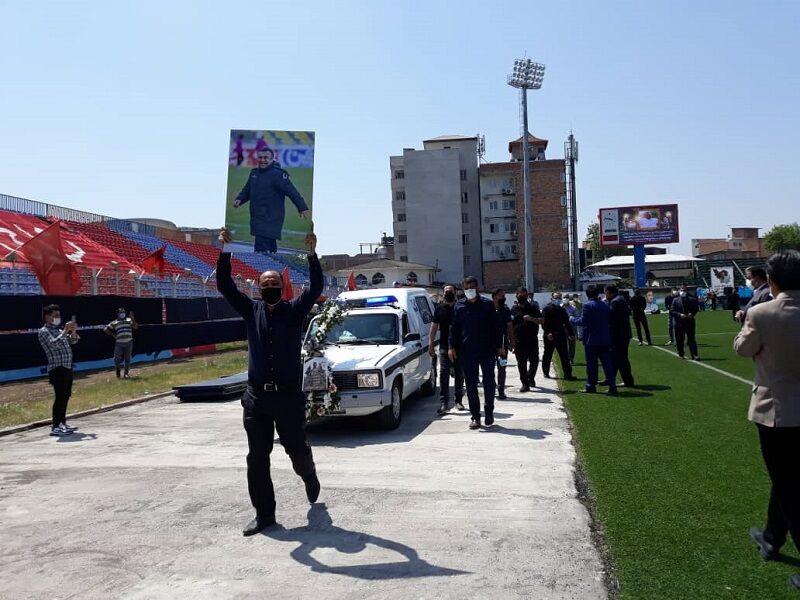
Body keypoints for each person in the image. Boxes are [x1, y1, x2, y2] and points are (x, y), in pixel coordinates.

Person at [217, 226, 323, 536]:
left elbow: (315, 287)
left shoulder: (294, 311)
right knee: (257, 458)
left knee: (296, 450)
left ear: (283, 286)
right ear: (258, 288)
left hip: (288, 399)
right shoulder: (251, 311)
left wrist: (312, 253)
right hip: (257, 401)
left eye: (274, 283)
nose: (270, 286)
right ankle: (265, 515)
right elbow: (224, 285)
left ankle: (309, 473)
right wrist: (225, 250)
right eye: (265, 283)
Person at [733, 250, 800, 591]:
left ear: (771, 281)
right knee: (785, 477)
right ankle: (772, 537)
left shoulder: (762, 313)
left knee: (788, 483)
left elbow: (743, 349)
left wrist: (743, 324)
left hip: (777, 411)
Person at [233, 147, 311, 254]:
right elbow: (247, 190)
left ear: (272, 159)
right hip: (257, 216)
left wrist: (302, 207)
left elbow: (292, 192)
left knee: (262, 249)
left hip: (271, 217)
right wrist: (240, 199)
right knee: (268, 248)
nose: (263, 160)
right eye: (260, 157)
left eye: (266, 158)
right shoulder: (254, 173)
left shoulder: (278, 175)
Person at [450, 277, 500, 430]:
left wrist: (499, 347)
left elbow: (495, 328)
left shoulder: (487, 305)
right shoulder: (459, 306)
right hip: (467, 351)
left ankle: (489, 410)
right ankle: (475, 417)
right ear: (463, 288)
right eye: (467, 286)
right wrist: (452, 347)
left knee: (489, 382)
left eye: (473, 286)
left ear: (477, 287)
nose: (470, 289)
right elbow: (455, 329)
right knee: (471, 385)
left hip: (487, 350)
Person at [38, 305, 80, 436]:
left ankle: (62, 423)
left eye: (58, 315)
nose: (57, 318)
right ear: (47, 316)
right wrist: (65, 330)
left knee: (66, 396)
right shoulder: (44, 331)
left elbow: (73, 341)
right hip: (57, 368)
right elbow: (54, 343)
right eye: (55, 315)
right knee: (60, 397)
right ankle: (56, 426)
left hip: (67, 367)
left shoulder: (58, 330)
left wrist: (72, 331)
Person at [570, 285, 616, 395]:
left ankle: (591, 385)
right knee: (607, 363)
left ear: (587, 294)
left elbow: (583, 321)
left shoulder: (587, 306)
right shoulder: (605, 305)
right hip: (604, 338)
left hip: (591, 339)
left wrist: (571, 319)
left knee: (591, 365)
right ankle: (612, 386)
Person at [429, 284, 465, 415]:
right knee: (444, 373)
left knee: (459, 374)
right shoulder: (439, 309)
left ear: (455, 292)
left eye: (450, 291)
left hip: (459, 346)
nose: (448, 293)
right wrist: (431, 343)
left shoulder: (460, 307)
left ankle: (458, 401)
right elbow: (433, 327)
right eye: (446, 291)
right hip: (444, 346)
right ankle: (444, 403)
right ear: (443, 293)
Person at [511, 287, 543, 392]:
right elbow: (510, 325)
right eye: (519, 294)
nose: (521, 296)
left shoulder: (533, 307)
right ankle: (525, 383)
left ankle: (530, 377)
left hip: (532, 338)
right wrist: (511, 340)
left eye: (524, 294)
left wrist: (531, 319)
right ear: (516, 295)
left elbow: (541, 321)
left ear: (527, 295)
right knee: (521, 363)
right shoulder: (513, 309)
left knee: (534, 361)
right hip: (519, 340)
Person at [541, 292, 576, 380]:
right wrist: (547, 332)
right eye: (556, 297)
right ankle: (546, 372)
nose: (558, 299)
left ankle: (568, 374)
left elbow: (567, 323)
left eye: (559, 298)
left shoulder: (562, 310)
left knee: (564, 356)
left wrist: (571, 334)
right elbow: (543, 322)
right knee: (547, 355)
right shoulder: (546, 309)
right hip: (550, 336)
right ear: (552, 298)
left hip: (560, 335)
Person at [605, 284, 635, 387]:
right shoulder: (620, 299)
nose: (606, 295)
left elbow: (611, 318)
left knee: (621, 358)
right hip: (623, 334)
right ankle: (610, 378)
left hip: (618, 335)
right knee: (616, 358)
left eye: (606, 293)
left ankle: (628, 381)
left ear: (610, 292)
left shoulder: (615, 302)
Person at [492, 289, 514, 400]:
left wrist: (511, 341)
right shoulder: (487, 308)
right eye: (501, 295)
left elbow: (509, 326)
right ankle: (491, 388)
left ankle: (501, 390)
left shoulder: (505, 309)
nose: (503, 297)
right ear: (495, 296)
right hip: (490, 344)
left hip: (503, 344)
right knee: (489, 368)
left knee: (502, 367)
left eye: (504, 295)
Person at [104, 307, 138, 378]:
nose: (123, 313)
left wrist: (133, 319)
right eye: (121, 312)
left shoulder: (129, 320)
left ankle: (126, 373)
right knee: (116, 358)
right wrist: (113, 334)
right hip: (119, 342)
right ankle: (118, 370)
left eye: (124, 312)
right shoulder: (114, 322)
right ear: (118, 314)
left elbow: (135, 327)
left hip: (129, 342)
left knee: (127, 358)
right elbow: (105, 329)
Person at [670, 285, 700, 360]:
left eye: (684, 290)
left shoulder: (692, 300)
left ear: (686, 291)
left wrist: (691, 314)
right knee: (679, 339)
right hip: (679, 323)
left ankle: (695, 354)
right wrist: (680, 315)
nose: (682, 292)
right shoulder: (675, 300)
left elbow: (696, 309)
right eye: (681, 290)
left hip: (689, 322)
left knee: (691, 339)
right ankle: (681, 353)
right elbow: (672, 311)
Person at [563, 294, 580, 364]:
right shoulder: (560, 307)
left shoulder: (573, 308)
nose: (565, 299)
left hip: (571, 328)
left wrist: (571, 318)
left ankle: (571, 359)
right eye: (564, 297)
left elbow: (577, 318)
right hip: (562, 328)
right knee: (563, 344)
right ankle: (564, 359)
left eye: (567, 297)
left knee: (572, 344)